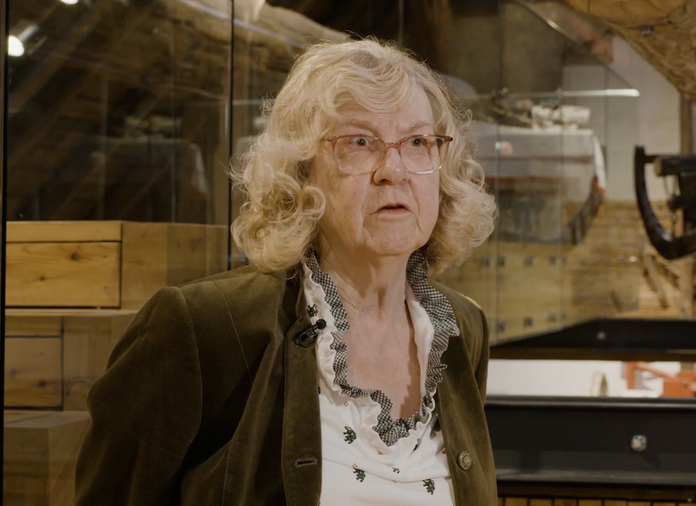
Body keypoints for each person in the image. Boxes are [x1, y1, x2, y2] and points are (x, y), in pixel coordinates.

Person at [75, 38, 498, 505]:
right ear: (301, 173)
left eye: (417, 142)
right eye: (359, 143)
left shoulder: (460, 329)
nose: (393, 170)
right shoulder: (203, 327)